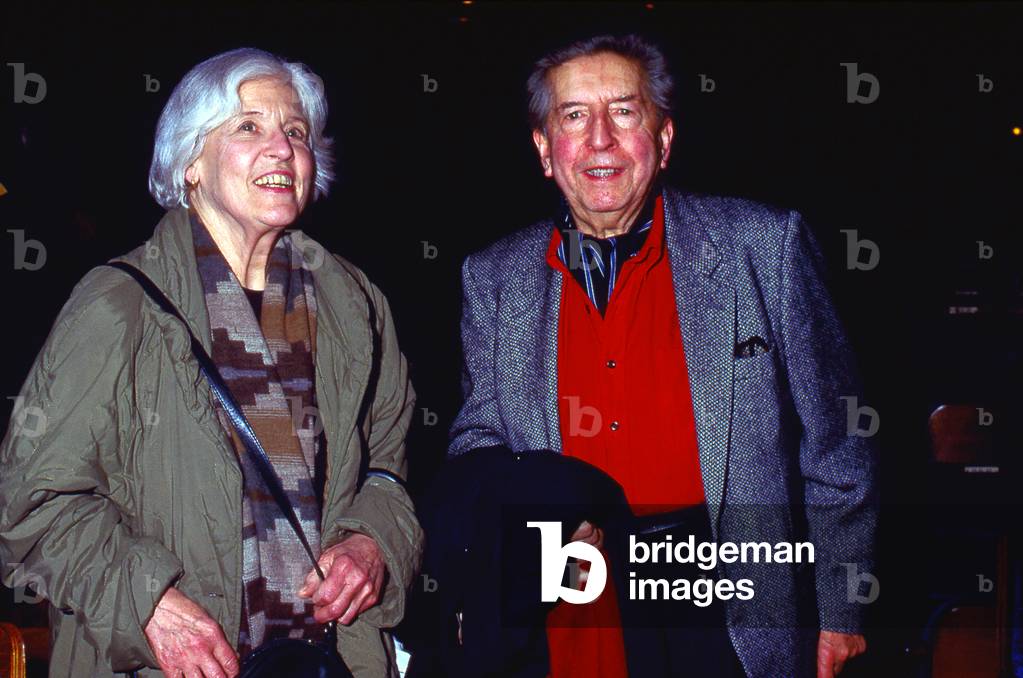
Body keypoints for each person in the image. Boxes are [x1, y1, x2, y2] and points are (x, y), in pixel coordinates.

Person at [448, 34, 877, 678]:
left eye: (624, 111)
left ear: (664, 139)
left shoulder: (764, 247)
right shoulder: (493, 278)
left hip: (730, 607)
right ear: (544, 150)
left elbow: (837, 442)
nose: (599, 139)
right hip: (575, 608)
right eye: (573, 116)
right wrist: (533, 523)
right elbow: (477, 444)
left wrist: (842, 611)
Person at [0, 47, 422, 678]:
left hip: (328, 662)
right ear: (190, 163)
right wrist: (148, 606)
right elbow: (32, 505)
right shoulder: (118, 306)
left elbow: (388, 470)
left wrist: (373, 541)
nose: (281, 149)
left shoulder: (355, 305)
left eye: (296, 132)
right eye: (249, 126)